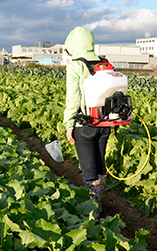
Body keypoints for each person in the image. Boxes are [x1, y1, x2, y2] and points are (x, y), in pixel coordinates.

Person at [63, 26, 111, 218]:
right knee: (100, 168)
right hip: (105, 124)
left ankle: (93, 216)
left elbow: (72, 98)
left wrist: (68, 126)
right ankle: (99, 206)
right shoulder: (104, 62)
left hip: (85, 126)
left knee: (89, 173)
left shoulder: (76, 65)